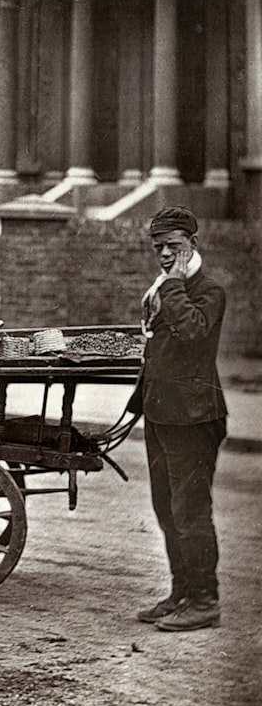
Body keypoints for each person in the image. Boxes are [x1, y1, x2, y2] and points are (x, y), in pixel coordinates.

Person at [128, 206, 227, 632]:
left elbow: (191, 332)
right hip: (162, 414)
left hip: (193, 419)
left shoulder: (208, 291)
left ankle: (205, 600)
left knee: (190, 511)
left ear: (193, 244)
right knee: (167, 510)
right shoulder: (164, 288)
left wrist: (171, 285)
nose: (165, 255)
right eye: (159, 248)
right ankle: (182, 592)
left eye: (173, 247)